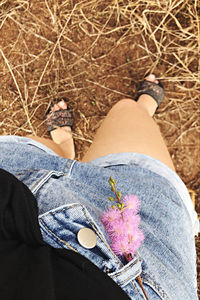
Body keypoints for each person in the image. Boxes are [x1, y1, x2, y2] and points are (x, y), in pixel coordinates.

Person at [0, 74, 199, 299]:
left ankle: (64, 149)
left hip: (17, 179)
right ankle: (142, 110)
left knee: (42, 151)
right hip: (148, 272)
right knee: (128, 111)